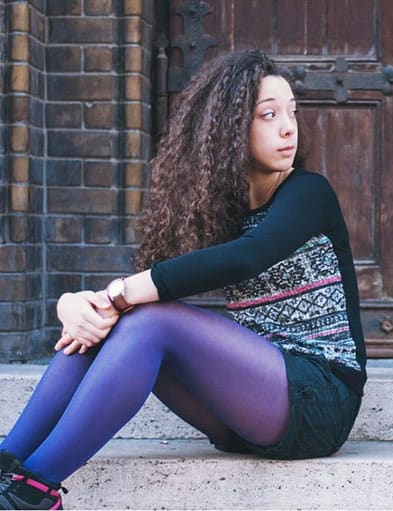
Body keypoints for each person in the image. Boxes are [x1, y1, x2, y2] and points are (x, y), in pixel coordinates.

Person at [0, 48, 366, 509]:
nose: (288, 127)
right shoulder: (218, 210)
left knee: (151, 319)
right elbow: (143, 289)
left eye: (291, 112)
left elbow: (246, 258)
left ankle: (33, 491)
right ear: (232, 126)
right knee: (127, 320)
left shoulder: (308, 193)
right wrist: (73, 304)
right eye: (268, 115)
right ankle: (6, 465)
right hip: (242, 410)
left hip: (318, 399)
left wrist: (118, 295)